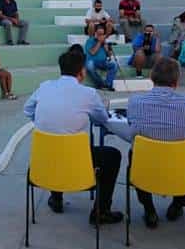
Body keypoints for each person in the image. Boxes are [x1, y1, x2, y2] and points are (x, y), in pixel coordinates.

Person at [23, 50, 124, 225]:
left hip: (44, 160)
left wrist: (47, 122)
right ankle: (101, 211)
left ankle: (56, 198)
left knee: (56, 145)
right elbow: (102, 118)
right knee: (112, 155)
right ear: (82, 71)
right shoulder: (88, 93)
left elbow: (28, 110)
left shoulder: (44, 86)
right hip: (76, 162)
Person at [127, 57, 185, 228]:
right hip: (179, 167)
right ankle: (178, 204)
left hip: (146, 168)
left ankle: (149, 209)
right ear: (176, 81)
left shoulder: (135, 102)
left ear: (152, 78)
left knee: (134, 153)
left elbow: (131, 126)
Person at [84, 25, 118, 91]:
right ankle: (101, 84)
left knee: (114, 64)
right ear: (95, 33)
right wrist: (99, 42)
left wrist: (107, 49)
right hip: (93, 61)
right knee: (89, 65)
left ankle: (108, 84)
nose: (101, 36)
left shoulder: (104, 42)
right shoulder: (90, 41)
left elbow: (109, 55)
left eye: (102, 34)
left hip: (103, 62)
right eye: (99, 34)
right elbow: (93, 52)